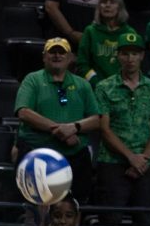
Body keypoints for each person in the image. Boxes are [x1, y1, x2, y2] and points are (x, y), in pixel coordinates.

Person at [95, 31, 150, 226]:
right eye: (125, 53)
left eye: (135, 53)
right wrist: (130, 158)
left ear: (142, 56)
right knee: (108, 221)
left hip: (146, 164)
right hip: (112, 162)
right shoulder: (105, 87)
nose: (130, 58)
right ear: (118, 56)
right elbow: (104, 129)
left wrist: (142, 158)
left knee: (144, 223)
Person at [14, 37, 101, 202]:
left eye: (62, 52)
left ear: (70, 58)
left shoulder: (83, 85)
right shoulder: (33, 80)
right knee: (34, 207)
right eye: (52, 52)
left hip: (75, 155)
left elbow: (97, 119)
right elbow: (23, 112)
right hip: (37, 154)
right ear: (44, 57)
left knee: (76, 205)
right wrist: (59, 130)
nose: (57, 56)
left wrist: (74, 127)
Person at [77, 0, 139, 87]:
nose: (107, 5)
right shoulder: (90, 31)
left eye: (112, 2)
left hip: (123, 87)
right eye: (104, 2)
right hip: (96, 88)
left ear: (120, 8)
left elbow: (135, 62)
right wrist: (95, 82)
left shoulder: (129, 33)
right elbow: (82, 63)